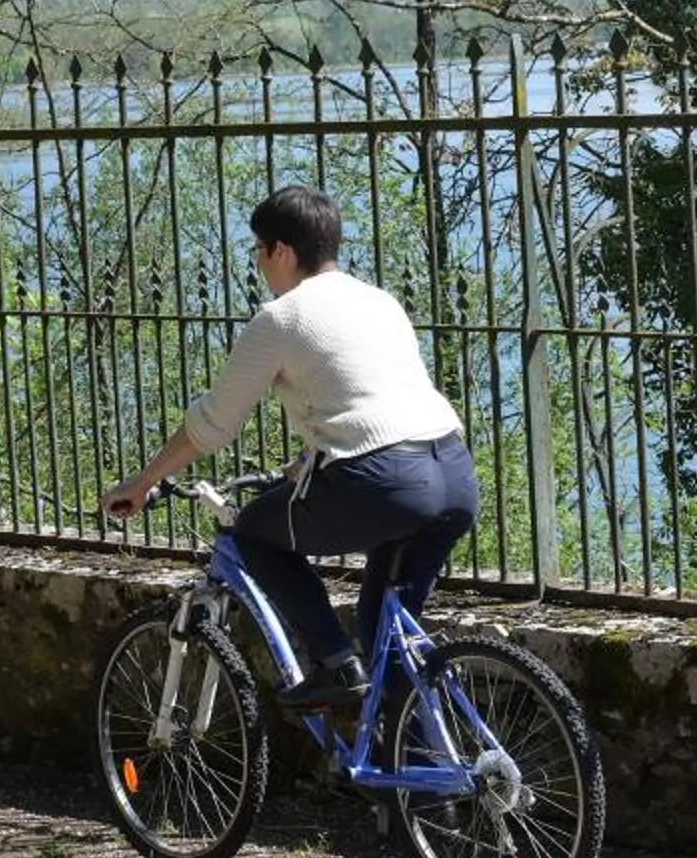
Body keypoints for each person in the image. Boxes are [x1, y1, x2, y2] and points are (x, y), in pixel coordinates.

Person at [100, 186, 477, 710]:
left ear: (282, 251)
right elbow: (372, 398)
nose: (258, 263)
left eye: (259, 249)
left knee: (253, 533)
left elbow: (211, 425)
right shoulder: (379, 301)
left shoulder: (280, 318)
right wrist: (315, 456)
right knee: (386, 632)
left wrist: (141, 484)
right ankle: (420, 782)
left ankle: (334, 665)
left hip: (387, 483)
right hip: (453, 472)